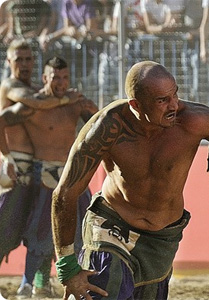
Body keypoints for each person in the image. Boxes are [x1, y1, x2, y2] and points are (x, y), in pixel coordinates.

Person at [51, 61, 209, 300]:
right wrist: (67, 268)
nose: (173, 105)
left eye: (174, 94)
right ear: (136, 104)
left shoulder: (193, 120)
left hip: (161, 239)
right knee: (106, 289)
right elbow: (64, 194)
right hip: (112, 225)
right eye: (162, 100)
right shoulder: (108, 127)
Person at [0, 56, 97, 298]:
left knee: (83, 233)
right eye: (56, 78)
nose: (61, 83)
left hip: (73, 175)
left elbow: (100, 124)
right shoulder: (32, 106)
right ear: (45, 78)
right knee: (41, 235)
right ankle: (30, 283)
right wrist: (7, 157)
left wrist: (89, 105)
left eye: (65, 78)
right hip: (43, 176)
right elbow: (2, 120)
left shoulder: (76, 103)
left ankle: (76, 284)